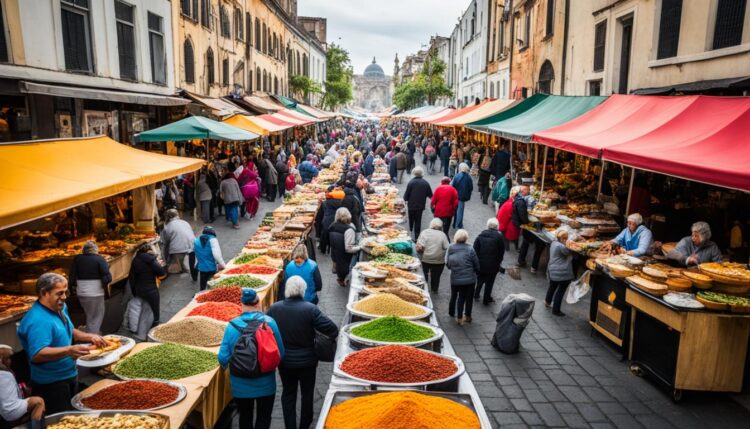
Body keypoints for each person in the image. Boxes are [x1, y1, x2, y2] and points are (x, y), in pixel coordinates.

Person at [17, 273, 106, 415]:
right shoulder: (38, 321)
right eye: (59, 293)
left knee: (73, 415)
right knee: (61, 419)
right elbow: (37, 354)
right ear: (44, 293)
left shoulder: (60, 308)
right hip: (51, 384)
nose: (64, 297)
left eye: (65, 292)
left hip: (69, 374)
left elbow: (67, 329)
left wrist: (89, 336)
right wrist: (69, 350)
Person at [267, 277, 338, 429]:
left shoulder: (274, 309)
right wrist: (319, 338)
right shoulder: (310, 309)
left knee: (288, 394)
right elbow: (332, 328)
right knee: (307, 394)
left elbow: (265, 331)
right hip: (308, 362)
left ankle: (290, 426)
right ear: (303, 290)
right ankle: (305, 424)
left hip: (285, 361)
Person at [218, 289, 284, 429]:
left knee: (245, 417)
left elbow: (223, 358)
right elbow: (281, 354)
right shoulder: (269, 323)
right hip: (266, 383)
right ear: (258, 303)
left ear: (241, 304)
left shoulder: (231, 326)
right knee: (264, 418)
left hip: (240, 385)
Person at [68, 241, 112, 335]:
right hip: (95, 292)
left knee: (89, 314)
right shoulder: (100, 259)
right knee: (97, 316)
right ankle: (92, 339)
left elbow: (71, 278)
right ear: (96, 250)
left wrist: (71, 291)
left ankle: (88, 330)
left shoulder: (77, 259)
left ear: (84, 250)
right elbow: (107, 278)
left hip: (81, 292)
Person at [0, 344, 45, 427]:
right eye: (8, 358)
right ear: (2, 360)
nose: (10, 361)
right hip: (9, 416)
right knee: (39, 402)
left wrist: (22, 389)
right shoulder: (4, 375)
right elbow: (10, 410)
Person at [446, 230, 479, 325]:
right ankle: (468, 316)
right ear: (466, 238)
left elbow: (448, 265)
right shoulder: (470, 249)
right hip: (470, 279)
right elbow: (476, 264)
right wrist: (476, 272)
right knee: (469, 298)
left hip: (456, 278)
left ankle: (459, 318)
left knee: (459, 297)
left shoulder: (451, 248)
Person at [129, 244, 167, 327]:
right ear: (148, 250)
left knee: (143, 309)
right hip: (151, 289)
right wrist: (159, 265)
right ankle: (155, 324)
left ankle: (140, 326)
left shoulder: (135, 260)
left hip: (139, 289)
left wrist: (134, 291)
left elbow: (132, 278)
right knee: (155, 309)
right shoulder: (151, 260)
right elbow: (161, 273)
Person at [473, 218, 506, 305]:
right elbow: (501, 252)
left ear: (487, 225)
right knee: (490, 283)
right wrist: (498, 262)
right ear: (497, 227)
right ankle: (486, 299)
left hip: (481, 264)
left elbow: (474, 250)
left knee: (480, 280)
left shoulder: (480, 235)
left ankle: (476, 294)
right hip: (493, 265)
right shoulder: (499, 237)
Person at [328, 208, 360, 287]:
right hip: (346, 257)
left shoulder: (332, 225)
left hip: (336, 254)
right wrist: (360, 247)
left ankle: (341, 278)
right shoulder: (349, 229)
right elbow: (348, 249)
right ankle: (345, 279)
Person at [416, 218, 450, 293]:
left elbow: (420, 246)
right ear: (441, 226)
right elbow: (447, 247)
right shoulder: (443, 235)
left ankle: (424, 286)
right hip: (439, 261)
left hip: (425, 259)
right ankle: (434, 288)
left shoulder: (425, 232)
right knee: (436, 276)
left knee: (424, 274)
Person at [546, 230, 575, 316]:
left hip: (552, 270)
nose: (566, 240)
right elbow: (569, 251)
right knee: (561, 289)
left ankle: (547, 301)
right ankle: (556, 310)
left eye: (567, 238)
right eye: (564, 238)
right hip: (561, 272)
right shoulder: (561, 247)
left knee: (552, 285)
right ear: (560, 238)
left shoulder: (554, 243)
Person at [514, 186, 542, 273]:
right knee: (539, 246)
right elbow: (527, 212)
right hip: (531, 224)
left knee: (525, 243)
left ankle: (521, 260)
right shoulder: (528, 199)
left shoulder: (519, 198)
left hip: (527, 225)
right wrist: (527, 222)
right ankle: (533, 267)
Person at [161, 209, 196, 276]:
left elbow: (166, 243)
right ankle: (183, 267)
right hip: (193, 246)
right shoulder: (184, 222)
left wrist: (165, 257)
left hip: (179, 249)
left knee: (173, 265)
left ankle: (179, 267)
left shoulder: (168, 227)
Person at [403, 166, 433, 241]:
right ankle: (417, 236)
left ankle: (410, 232)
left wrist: (405, 200)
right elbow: (431, 195)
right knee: (418, 221)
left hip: (411, 205)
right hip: (420, 205)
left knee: (411, 219)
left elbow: (406, 196)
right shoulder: (425, 183)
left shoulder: (411, 182)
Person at [193, 226, 225, 291]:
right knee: (213, 285)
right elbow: (217, 255)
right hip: (211, 267)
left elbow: (196, 253)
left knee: (203, 285)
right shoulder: (213, 239)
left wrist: (196, 263)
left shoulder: (196, 240)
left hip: (202, 267)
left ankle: (201, 295)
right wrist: (223, 265)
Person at [319, 188, 344, 254]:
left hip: (326, 221)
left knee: (323, 234)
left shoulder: (325, 203)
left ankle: (323, 249)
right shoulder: (341, 203)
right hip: (336, 222)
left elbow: (321, 214)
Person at [497, 186, 521, 251]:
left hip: (503, 221)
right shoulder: (511, 204)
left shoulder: (510, 201)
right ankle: (508, 247)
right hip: (504, 222)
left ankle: (508, 247)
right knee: (508, 234)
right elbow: (511, 215)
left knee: (506, 235)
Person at [451, 163, 473, 229]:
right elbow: (471, 187)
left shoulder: (457, 176)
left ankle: (455, 224)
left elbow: (452, 185)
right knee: (460, 212)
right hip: (462, 197)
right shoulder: (469, 177)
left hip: (455, 196)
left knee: (456, 211)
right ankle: (458, 226)